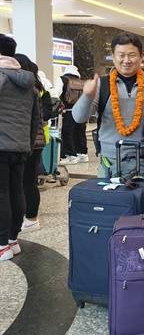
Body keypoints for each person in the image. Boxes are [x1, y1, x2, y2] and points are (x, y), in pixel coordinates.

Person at [72, 32, 144, 178]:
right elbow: (78, 118)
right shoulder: (102, 85)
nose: (126, 60)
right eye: (121, 55)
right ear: (113, 57)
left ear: (141, 57)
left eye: (132, 55)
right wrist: (87, 96)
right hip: (109, 163)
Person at [0, 35, 40, 261]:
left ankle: (1, 244)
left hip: (1, 146)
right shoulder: (29, 83)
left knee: (2, 194)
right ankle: (12, 240)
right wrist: (27, 143)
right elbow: (36, 119)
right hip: (21, 146)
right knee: (16, 191)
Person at [13, 54, 53, 233]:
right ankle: (29, 216)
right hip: (38, 139)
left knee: (26, 181)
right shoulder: (40, 88)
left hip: (28, 140)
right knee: (28, 180)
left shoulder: (27, 90)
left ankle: (31, 218)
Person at [56, 65, 88, 164]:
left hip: (68, 110)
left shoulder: (62, 80)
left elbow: (56, 93)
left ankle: (70, 155)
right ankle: (82, 154)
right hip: (81, 110)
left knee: (67, 132)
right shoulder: (82, 82)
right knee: (80, 132)